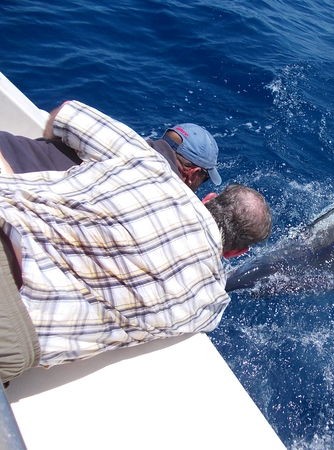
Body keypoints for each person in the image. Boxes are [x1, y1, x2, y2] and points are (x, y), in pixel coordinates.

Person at [0, 100, 271, 383]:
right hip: (16, 341)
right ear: (237, 252)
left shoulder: (146, 162)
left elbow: (67, 113)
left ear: (209, 200)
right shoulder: (211, 304)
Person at [0, 120, 222, 192]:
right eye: (203, 179)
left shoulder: (118, 137)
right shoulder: (159, 192)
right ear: (193, 173)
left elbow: (62, 115)